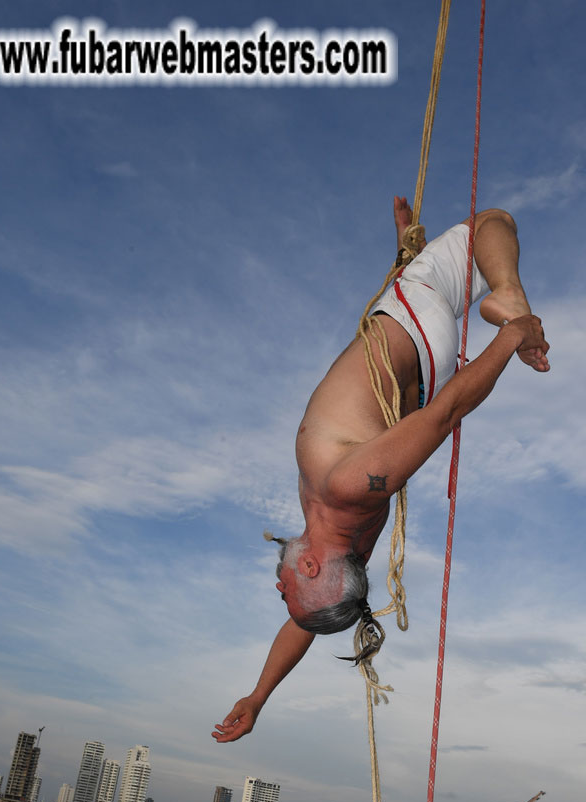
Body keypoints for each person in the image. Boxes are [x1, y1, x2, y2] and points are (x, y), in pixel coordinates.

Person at [213, 197, 549, 743]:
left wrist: (257, 697)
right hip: (413, 321)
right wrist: (512, 336)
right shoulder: (346, 491)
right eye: (287, 590)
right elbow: (445, 416)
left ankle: (472, 283)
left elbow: (303, 626)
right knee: (495, 222)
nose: (279, 588)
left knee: (471, 248)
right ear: (315, 570)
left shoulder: (351, 538)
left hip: (417, 346)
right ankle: (508, 296)